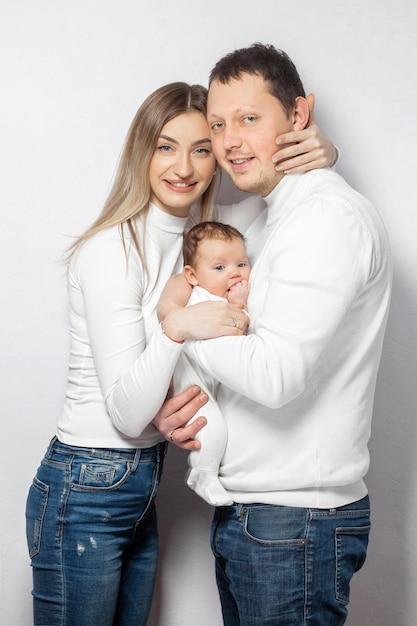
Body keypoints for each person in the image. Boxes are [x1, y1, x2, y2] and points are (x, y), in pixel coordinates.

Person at [25, 77, 337, 626]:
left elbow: (280, 203)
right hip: (85, 486)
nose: (184, 167)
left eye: (200, 148)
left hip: (140, 481)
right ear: (142, 152)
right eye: (166, 146)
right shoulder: (111, 250)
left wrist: (323, 152)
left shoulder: (208, 240)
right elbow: (125, 411)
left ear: (217, 159)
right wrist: (177, 328)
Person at [155, 44, 393, 626]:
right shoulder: (266, 219)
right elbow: (188, 276)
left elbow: (274, 374)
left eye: (250, 118)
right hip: (260, 517)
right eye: (219, 123)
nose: (229, 139)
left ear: (299, 116)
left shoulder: (325, 218)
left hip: (294, 524)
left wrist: (183, 328)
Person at [174, 221, 250, 506]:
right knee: (213, 426)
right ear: (192, 276)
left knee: (223, 425)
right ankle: (202, 474)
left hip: (210, 380)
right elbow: (228, 331)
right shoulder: (199, 300)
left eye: (241, 264)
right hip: (189, 385)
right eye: (219, 268)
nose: (233, 273)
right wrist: (239, 307)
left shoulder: (220, 296)